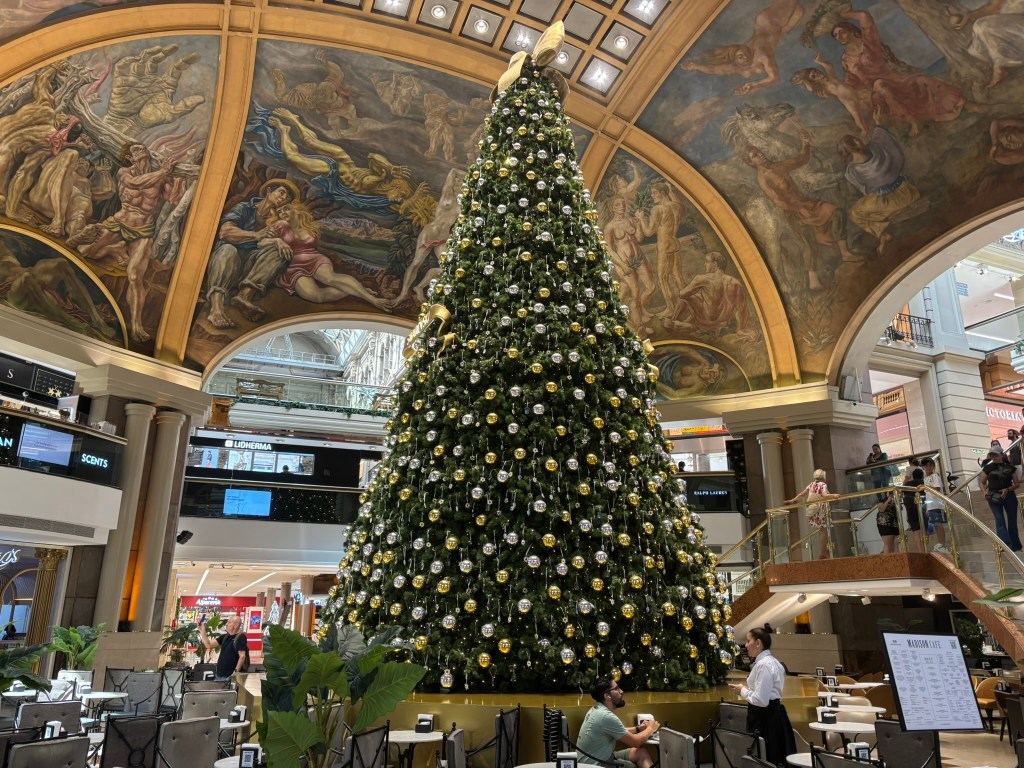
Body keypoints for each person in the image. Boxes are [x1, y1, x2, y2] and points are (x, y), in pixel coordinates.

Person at [202, 179, 299, 328]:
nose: (283, 198)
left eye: (287, 198)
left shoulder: (274, 220)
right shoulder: (244, 208)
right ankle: (216, 309)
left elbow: (261, 244)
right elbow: (225, 232)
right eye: (281, 192)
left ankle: (243, 297)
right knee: (229, 250)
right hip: (226, 260)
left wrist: (276, 242)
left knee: (279, 252)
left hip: (249, 264)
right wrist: (255, 234)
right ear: (268, 191)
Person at [728, 624, 796, 766]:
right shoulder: (774, 662)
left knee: (766, 758)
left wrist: (742, 690)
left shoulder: (763, 665)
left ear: (758, 643)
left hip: (765, 719)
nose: (746, 645)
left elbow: (761, 700)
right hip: (773, 715)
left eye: (748, 641)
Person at [576, 677, 659, 768]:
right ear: (607, 695)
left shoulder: (596, 709)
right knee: (632, 766)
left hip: (599, 759)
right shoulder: (606, 716)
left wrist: (638, 728)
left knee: (641, 752)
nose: (621, 691)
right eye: (616, 689)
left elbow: (618, 731)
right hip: (596, 765)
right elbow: (635, 742)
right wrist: (650, 728)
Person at [785, 469, 840, 559]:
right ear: (823, 477)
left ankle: (825, 552)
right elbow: (825, 495)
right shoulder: (822, 485)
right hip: (821, 510)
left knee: (822, 531)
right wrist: (834, 495)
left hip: (814, 510)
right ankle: (823, 553)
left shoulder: (811, 484)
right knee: (824, 532)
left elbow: (802, 494)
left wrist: (793, 500)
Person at [979, 449, 1022, 552]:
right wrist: (984, 492)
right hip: (994, 496)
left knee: (1012, 521)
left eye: (996, 455)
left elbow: (1017, 484)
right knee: (999, 521)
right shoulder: (987, 468)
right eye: (992, 455)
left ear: (1002, 455)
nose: (994, 457)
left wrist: (1007, 490)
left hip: (1009, 495)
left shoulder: (1010, 467)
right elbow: (982, 482)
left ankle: (1016, 545)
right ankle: (1005, 546)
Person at [199, 614, 248, 680]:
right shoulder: (225, 637)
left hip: (229, 676)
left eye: (229, 622)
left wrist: (235, 673)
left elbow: (242, 656)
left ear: (236, 625)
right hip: (219, 674)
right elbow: (209, 645)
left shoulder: (240, 637)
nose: (226, 624)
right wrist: (202, 631)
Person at [919, 458, 949, 554]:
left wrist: (924, 487)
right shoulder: (925, 478)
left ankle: (942, 543)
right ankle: (940, 543)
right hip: (931, 505)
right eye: (926, 466)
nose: (928, 467)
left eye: (930, 465)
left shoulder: (935, 476)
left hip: (937, 504)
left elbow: (937, 488)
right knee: (935, 525)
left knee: (938, 524)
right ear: (923, 467)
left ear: (933, 466)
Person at [901, 463, 924, 553]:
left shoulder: (907, 484)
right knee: (924, 528)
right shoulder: (923, 483)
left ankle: (921, 551)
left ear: (913, 476)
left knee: (916, 531)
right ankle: (926, 548)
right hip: (921, 507)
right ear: (922, 476)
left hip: (910, 509)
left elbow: (900, 492)